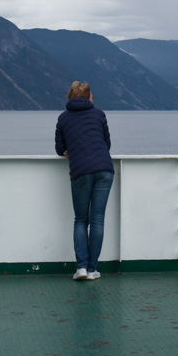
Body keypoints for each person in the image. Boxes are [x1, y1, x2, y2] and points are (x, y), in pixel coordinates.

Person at [55, 81, 114, 281]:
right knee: (97, 219)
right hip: (104, 169)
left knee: (81, 220)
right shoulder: (99, 114)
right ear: (89, 96)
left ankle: (81, 268)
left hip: (80, 170)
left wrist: (71, 150)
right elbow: (106, 143)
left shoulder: (63, 118)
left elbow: (60, 149)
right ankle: (92, 270)